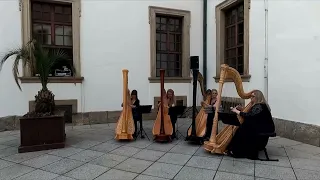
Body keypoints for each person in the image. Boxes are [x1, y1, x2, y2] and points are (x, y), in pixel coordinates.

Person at [227, 90, 275, 159]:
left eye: (253, 96)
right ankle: (236, 149)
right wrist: (242, 109)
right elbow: (254, 114)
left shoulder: (260, 106)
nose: (251, 98)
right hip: (262, 126)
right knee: (243, 128)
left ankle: (238, 151)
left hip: (265, 128)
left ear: (258, 97)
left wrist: (236, 111)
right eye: (251, 96)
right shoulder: (259, 105)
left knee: (242, 129)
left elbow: (249, 115)